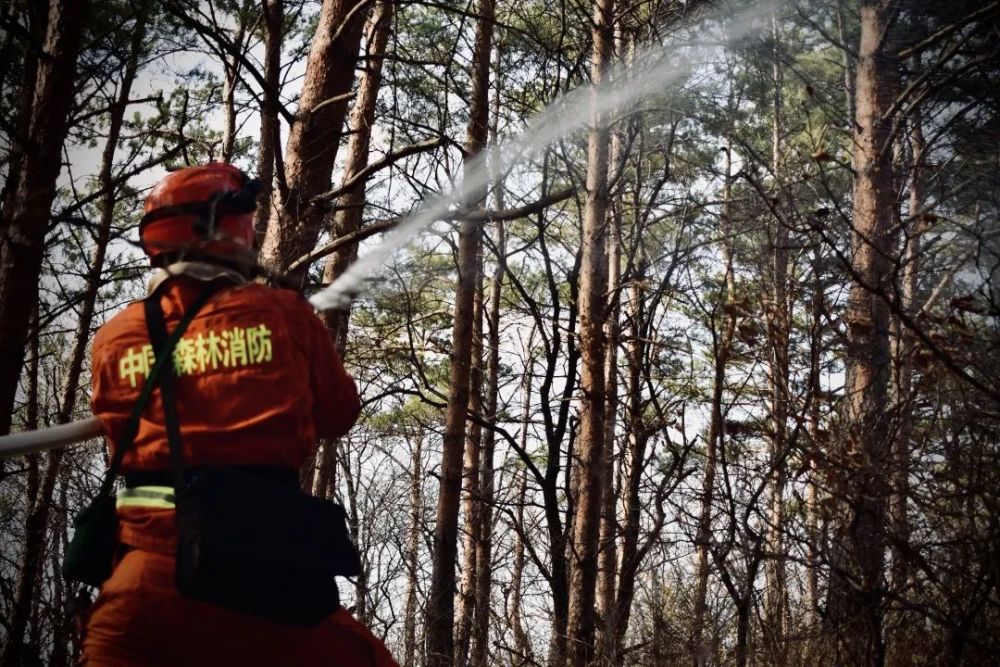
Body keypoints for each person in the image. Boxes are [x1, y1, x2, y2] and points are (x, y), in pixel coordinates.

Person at [81, 163, 397, 666]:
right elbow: (340, 414)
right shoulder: (284, 314)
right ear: (226, 229)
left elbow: (117, 429)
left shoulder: (113, 337)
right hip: (257, 575)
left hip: (137, 590)